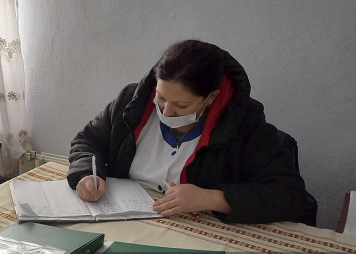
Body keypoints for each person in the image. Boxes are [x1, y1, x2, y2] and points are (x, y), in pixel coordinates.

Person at [68, 40, 316, 225]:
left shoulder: (245, 123)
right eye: (161, 98)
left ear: (211, 98)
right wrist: (86, 174)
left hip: (199, 232)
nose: (166, 111)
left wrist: (212, 199)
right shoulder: (132, 101)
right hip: (126, 220)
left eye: (181, 105)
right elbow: (87, 140)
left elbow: (290, 195)